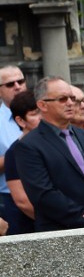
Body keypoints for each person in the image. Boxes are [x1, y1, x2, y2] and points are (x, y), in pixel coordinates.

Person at [16, 77, 84, 231]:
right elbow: (43, 194)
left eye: (71, 98)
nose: (71, 103)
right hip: (61, 231)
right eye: (63, 99)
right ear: (42, 105)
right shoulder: (29, 145)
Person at [3, 90, 39, 234]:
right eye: (34, 113)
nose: (42, 118)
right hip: (31, 227)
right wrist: (53, 220)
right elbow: (22, 202)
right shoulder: (14, 152)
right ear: (20, 121)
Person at [0, 65, 28, 219]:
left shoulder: (44, 114)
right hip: (9, 200)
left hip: (47, 194)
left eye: (21, 81)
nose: (18, 87)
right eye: (10, 84)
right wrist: (17, 152)